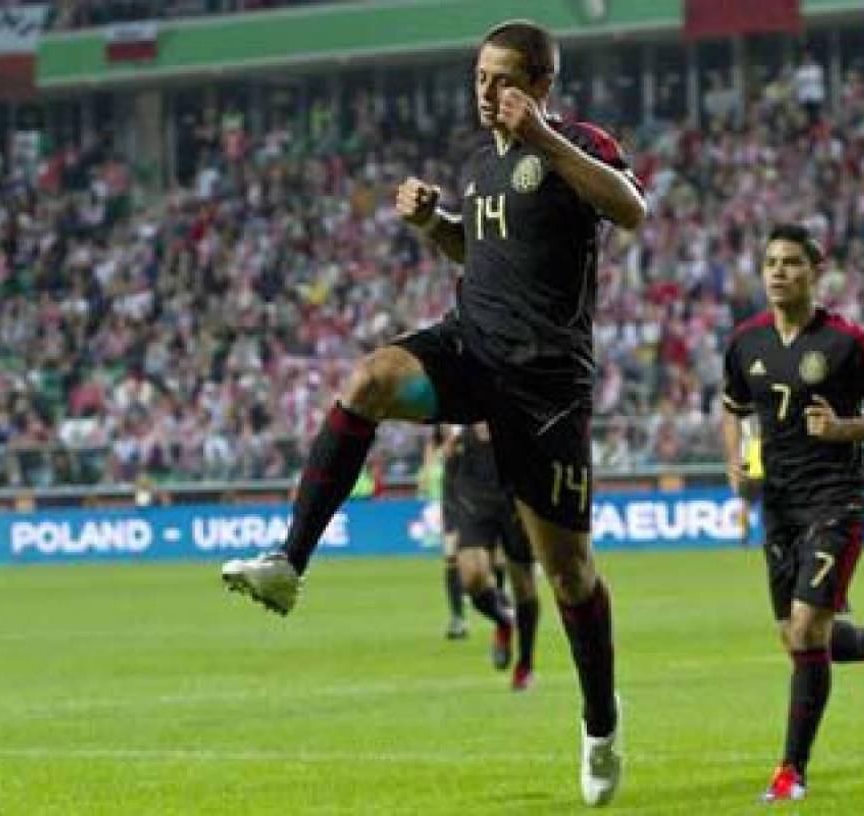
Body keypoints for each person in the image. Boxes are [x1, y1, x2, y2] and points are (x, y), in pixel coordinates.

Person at [220, 19, 646, 806]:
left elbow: (630, 209)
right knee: (370, 379)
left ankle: (600, 720)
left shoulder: (578, 142)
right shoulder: (481, 163)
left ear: (541, 84)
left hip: (544, 385)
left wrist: (544, 138)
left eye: (503, 79)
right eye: (479, 77)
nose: (487, 92)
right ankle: (288, 564)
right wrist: (433, 224)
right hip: (469, 346)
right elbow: (477, 254)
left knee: (568, 573)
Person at [721, 224, 864, 803]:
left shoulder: (848, 342)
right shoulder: (746, 343)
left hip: (837, 498)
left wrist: (843, 429)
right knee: (799, 637)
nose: (779, 272)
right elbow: (733, 408)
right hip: (780, 504)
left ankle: (792, 770)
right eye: (771, 263)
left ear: (816, 272)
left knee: (808, 628)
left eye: (791, 262)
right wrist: (736, 463)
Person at [445, 422, 540, 690]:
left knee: (524, 586)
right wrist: (449, 524)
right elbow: (449, 475)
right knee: (472, 577)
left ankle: (525, 665)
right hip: (474, 503)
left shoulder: (517, 426)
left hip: (515, 503)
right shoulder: (461, 437)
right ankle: (504, 620)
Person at [422, 425, 468, 640]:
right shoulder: (440, 436)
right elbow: (434, 452)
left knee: (495, 560)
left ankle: (499, 599)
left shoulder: (472, 431)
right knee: (451, 557)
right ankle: (458, 618)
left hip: (478, 499)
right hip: (452, 503)